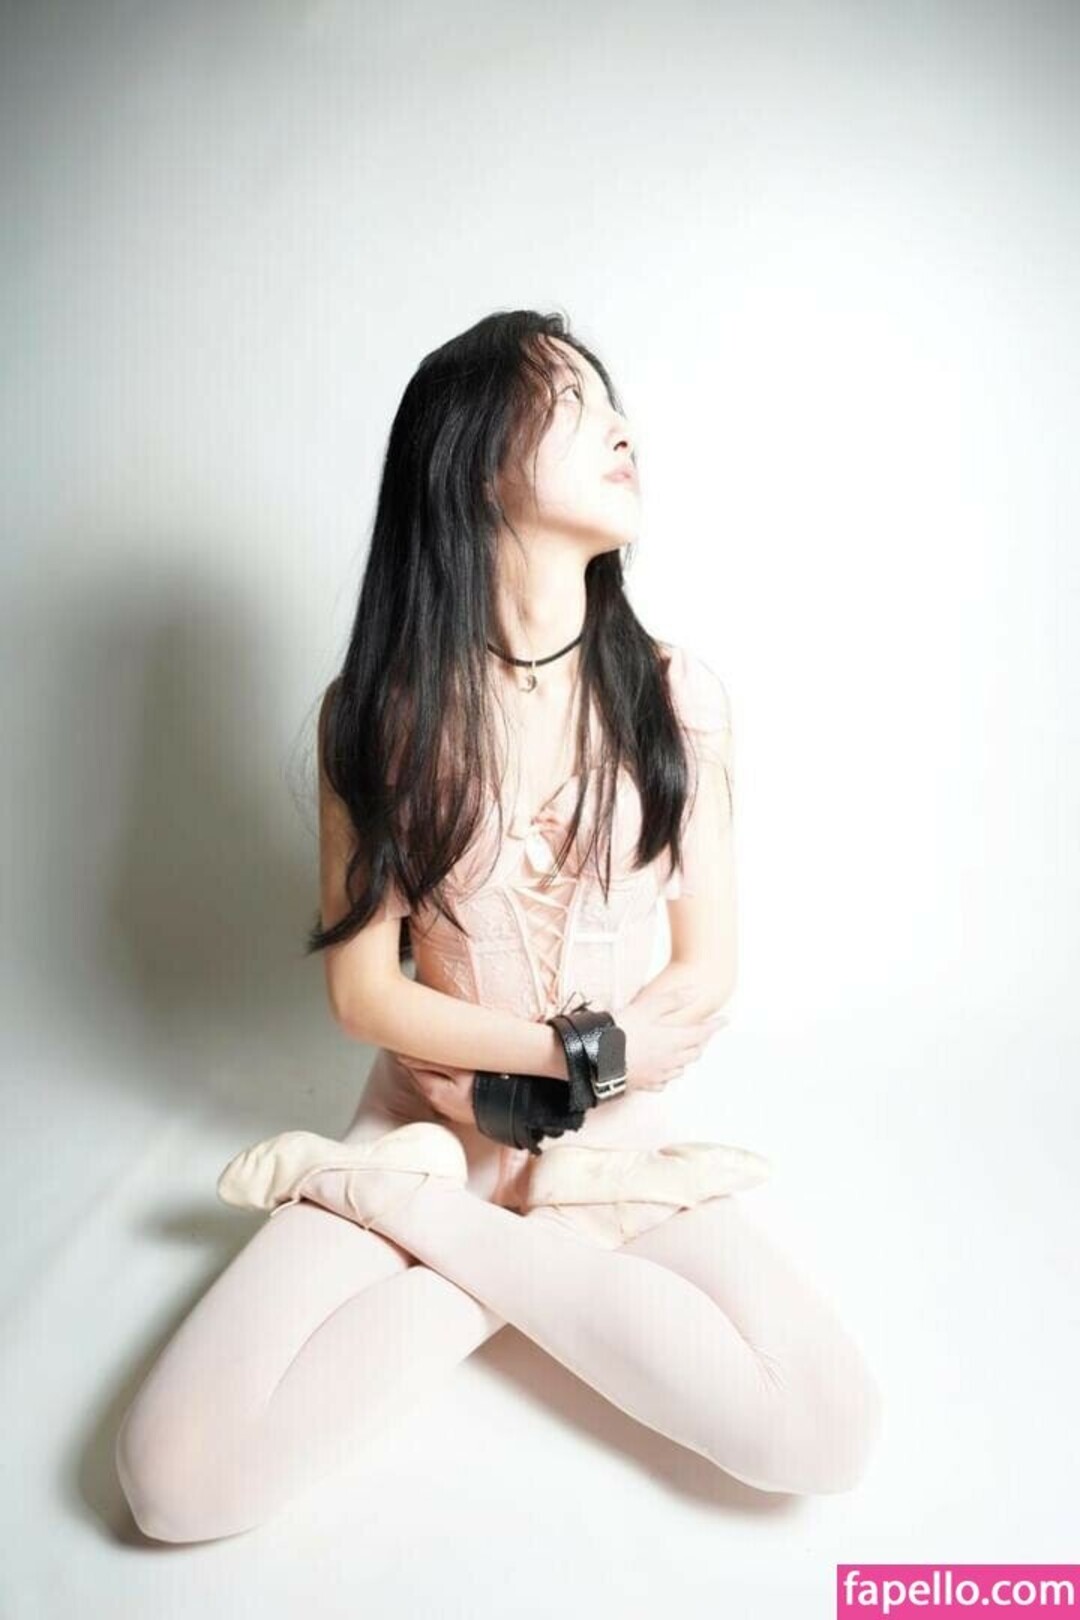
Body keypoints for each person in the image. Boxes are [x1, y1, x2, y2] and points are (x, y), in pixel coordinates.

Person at [114, 311, 884, 1544]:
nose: (622, 427)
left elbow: (706, 971)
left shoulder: (677, 697)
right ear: (476, 464)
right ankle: (488, 1228)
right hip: (426, 1121)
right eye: (575, 401)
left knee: (825, 1430)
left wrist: (582, 1093)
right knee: (174, 1480)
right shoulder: (376, 715)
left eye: (613, 402)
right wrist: (551, 1064)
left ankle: (455, 1230)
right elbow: (365, 996)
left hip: (610, 1136)